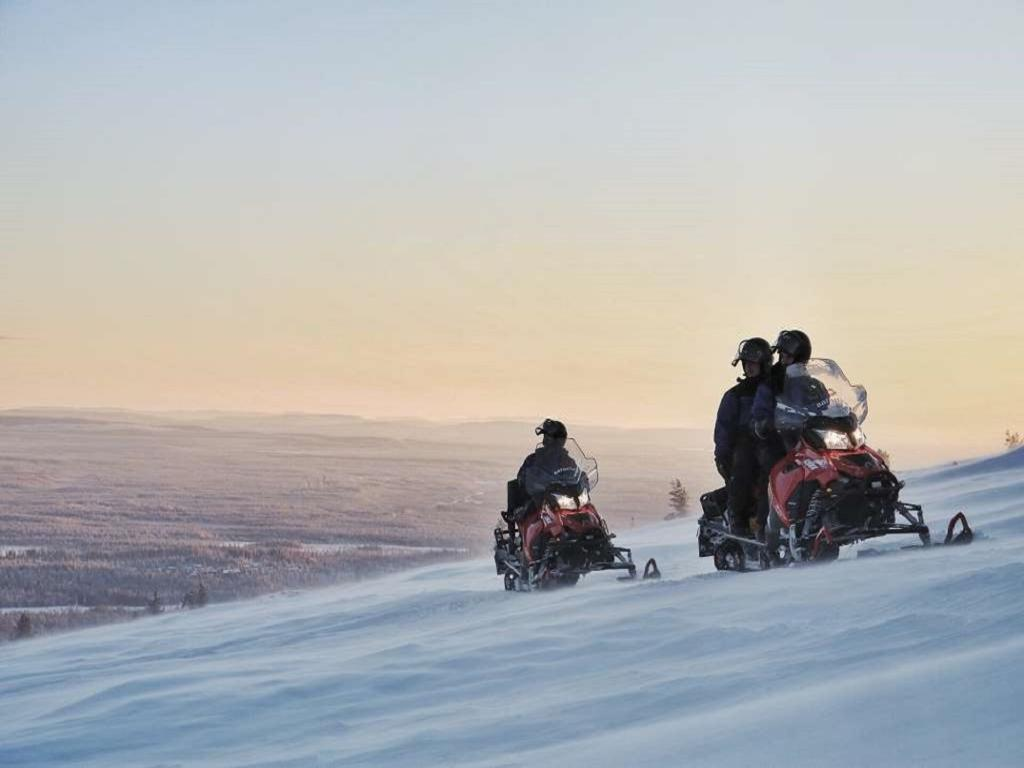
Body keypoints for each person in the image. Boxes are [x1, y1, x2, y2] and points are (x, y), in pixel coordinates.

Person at [751, 329, 812, 531]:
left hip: (805, 437)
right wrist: (765, 422)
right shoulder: (772, 382)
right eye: (781, 353)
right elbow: (760, 410)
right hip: (777, 437)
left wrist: (842, 414)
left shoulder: (812, 384)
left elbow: (827, 403)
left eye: (786, 353)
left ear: (798, 356)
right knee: (773, 468)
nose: (782, 357)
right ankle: (765, 526)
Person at [714, 337, 772, 537]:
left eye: (753, 363)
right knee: (744, 464)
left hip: (774, 441)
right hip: (747, 444)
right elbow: (723, 427)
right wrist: (722, 455)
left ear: (764, 363)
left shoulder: (778, 388)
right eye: (746, 363)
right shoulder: (736, 395)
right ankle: (738, 519)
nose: (749, 367)